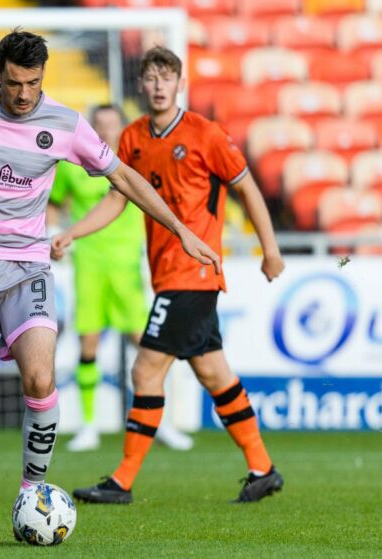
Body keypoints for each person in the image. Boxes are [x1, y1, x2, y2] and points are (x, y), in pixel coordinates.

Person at [0, 29, 220, 545]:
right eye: (15, 83)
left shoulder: (65, 124)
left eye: (34, 83)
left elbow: (125, 179)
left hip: (26, 269)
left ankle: (31, 491)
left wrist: (180, 228)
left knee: (40, 380)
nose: (24, 95)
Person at [55, 46, 286, 504]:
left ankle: (121, 481)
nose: (159, 86)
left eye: (167, 77)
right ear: (141, 84)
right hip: (168, 275)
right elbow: (117, 199)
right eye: (151, 78)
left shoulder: (207, 134)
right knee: (215, 375)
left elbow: (247, 188)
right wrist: (73, 233)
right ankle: (262, 469)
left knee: (145, 370)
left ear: (180, 83)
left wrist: (271, 249)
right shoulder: (133, 138)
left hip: (194, 273)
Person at [48, 105, 193, 452]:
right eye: (100, 126)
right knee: (88, 344)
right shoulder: (74, 167)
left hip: (127, 266)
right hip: (90, 266)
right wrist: (55, 232)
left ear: (123, 129)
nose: (107, 132)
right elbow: (53, 203)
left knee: (148, 346)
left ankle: (162, 422)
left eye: (112, 126)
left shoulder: (133, 164)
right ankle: (89, 426)